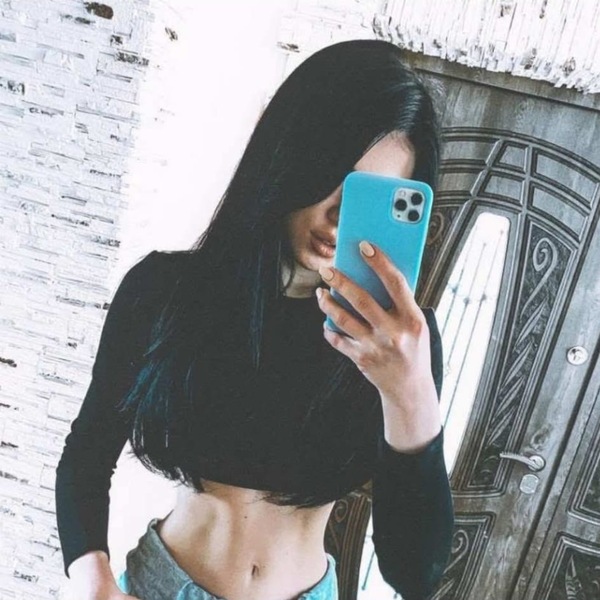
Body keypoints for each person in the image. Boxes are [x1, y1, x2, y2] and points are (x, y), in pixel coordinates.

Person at [55, 39, 454, 600]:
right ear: (290, 155)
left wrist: (408, 391)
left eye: (370, 197)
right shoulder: (166, 291)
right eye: (334, 175)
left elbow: (413, 572)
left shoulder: (398, 343)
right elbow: (87, 456)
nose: (339, 215)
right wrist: (94, 584)